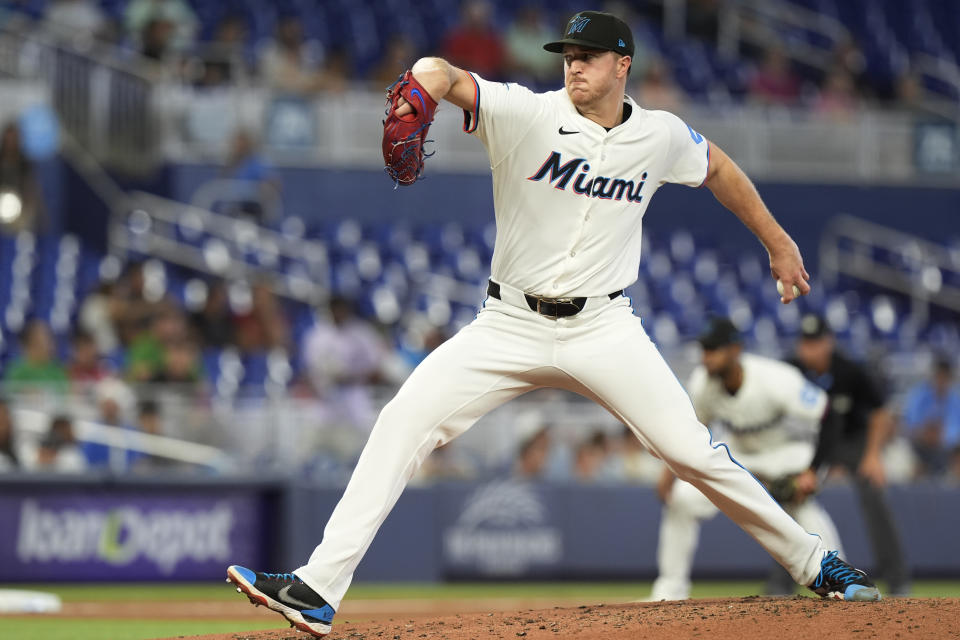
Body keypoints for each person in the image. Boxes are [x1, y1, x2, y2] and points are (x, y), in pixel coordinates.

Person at [226, 12, 879, 636]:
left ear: (623, 65)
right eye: (567, 56)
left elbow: (720, 170)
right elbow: (445, 75)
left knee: (690, 452)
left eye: (588, 57)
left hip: (605, 327)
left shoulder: (660, 135)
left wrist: (777, 242)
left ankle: (815, 564)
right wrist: (424, 81)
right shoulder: (527, 114)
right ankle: (318, 589)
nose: (574, 68)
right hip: (508, 321)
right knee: (404, 419)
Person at [650, 317, 844, 601]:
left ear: (735, 349)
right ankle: (670, 589)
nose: (707, 357)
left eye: (714, 349)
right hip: (741, 459)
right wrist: (667, 475)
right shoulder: (703, 383)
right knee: (682, 499)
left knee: (807, 518)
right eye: (705, 349)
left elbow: (830, 416)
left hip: (785, 460)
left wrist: (812, 471)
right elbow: (691, 432)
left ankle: (842, 584)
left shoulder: (776, 379)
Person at [790, 313, 910, 595]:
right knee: (792, 497)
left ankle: (898, 580)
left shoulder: (849, 371)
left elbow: (881, 412)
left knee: (874, 495)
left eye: (816, 342)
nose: (811, 349)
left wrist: (872, 455)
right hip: (813, 444)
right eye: (806, 343)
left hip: (853, 441)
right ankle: (782, 581)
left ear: (828, 343)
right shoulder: (792, 370)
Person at [901, 354, 960, 477]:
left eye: (945, 377)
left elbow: (956, 430)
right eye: (939, 376)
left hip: (946, 449)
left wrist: (942, 436)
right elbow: (909, 424)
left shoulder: (955, 399)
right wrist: (923, 433)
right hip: (919, 446)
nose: (941, 381)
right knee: (905, 460)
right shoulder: (918, 395)